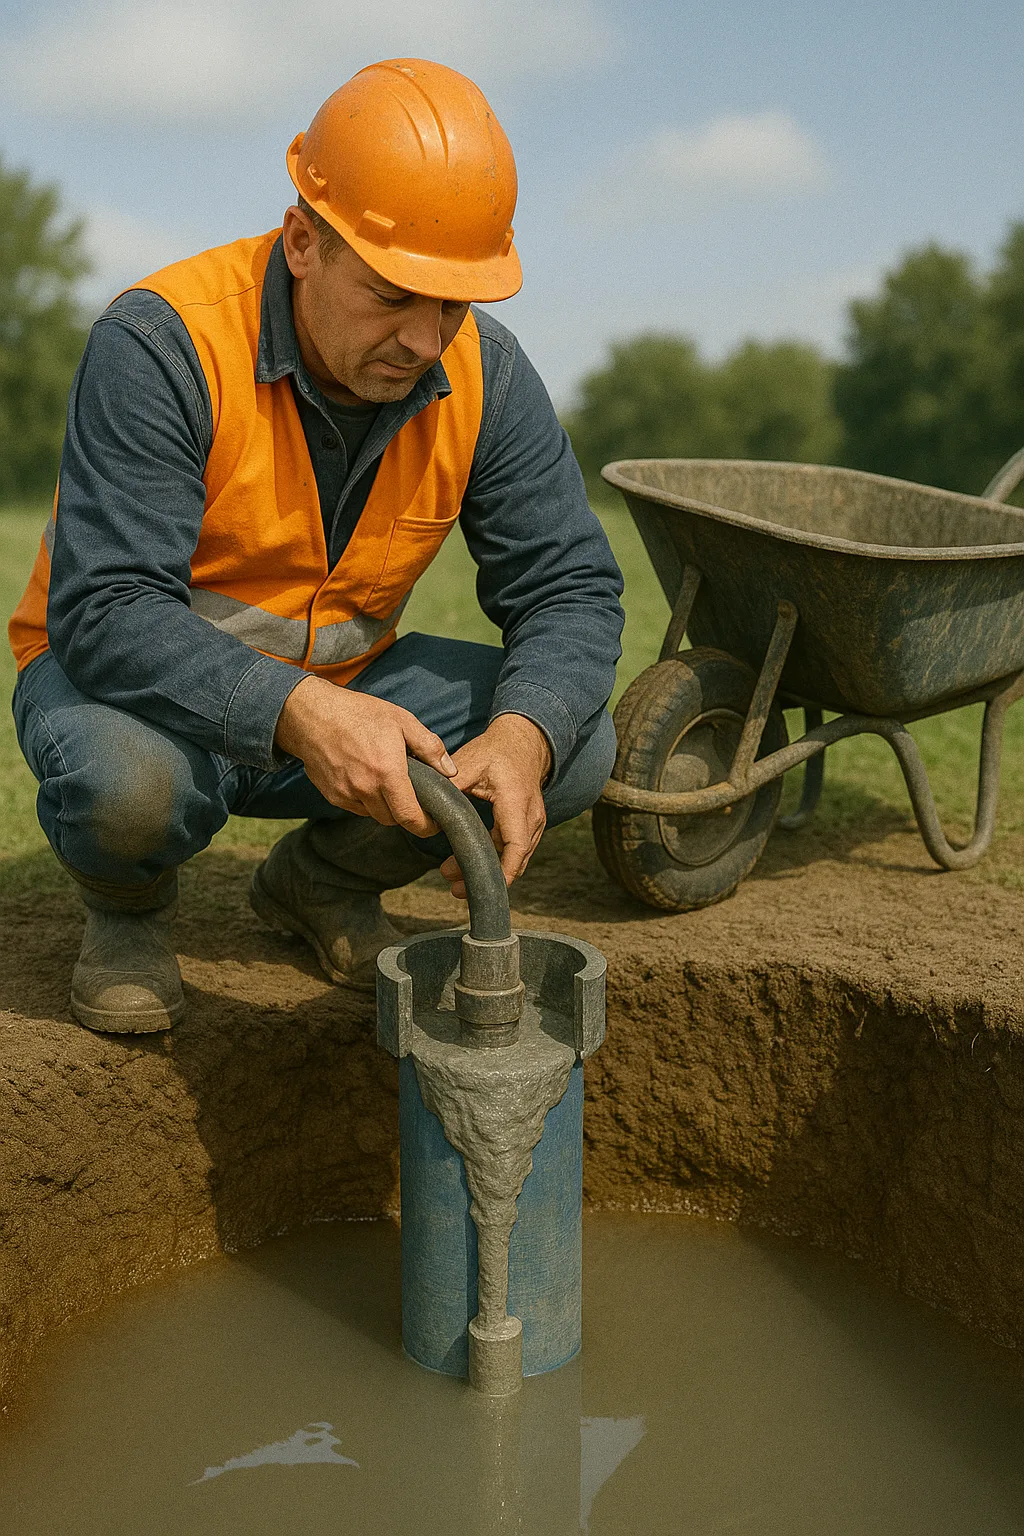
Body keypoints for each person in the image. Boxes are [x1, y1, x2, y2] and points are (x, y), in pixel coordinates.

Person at [8, 57, 624, 1034]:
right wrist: (300, 713)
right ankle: (127, 911)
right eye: (392, 294)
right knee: (128, 788)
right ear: (303, 242)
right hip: (132, 695)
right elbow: (107, 608)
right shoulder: (163, 344)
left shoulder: (487, 376)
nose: (425, 339)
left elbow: (571, 589)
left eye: (453, 304)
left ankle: (322, 883)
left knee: (573, 742)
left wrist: (522, 735)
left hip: (342, 697)